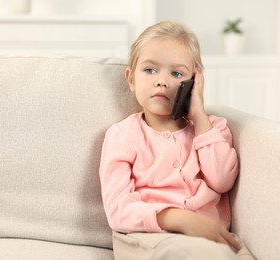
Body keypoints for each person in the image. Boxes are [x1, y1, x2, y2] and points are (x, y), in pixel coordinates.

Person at [99, 21, 254, 260]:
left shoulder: (213, 129)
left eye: (177, 73)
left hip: (209, 239)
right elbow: (118, 210)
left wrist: (200, 117)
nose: (162, 80)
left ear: (195, 82)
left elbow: (222, 180)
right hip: (147, 236)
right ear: (131, 79)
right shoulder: (123, 135)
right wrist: (178, 218)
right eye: (150, 70)